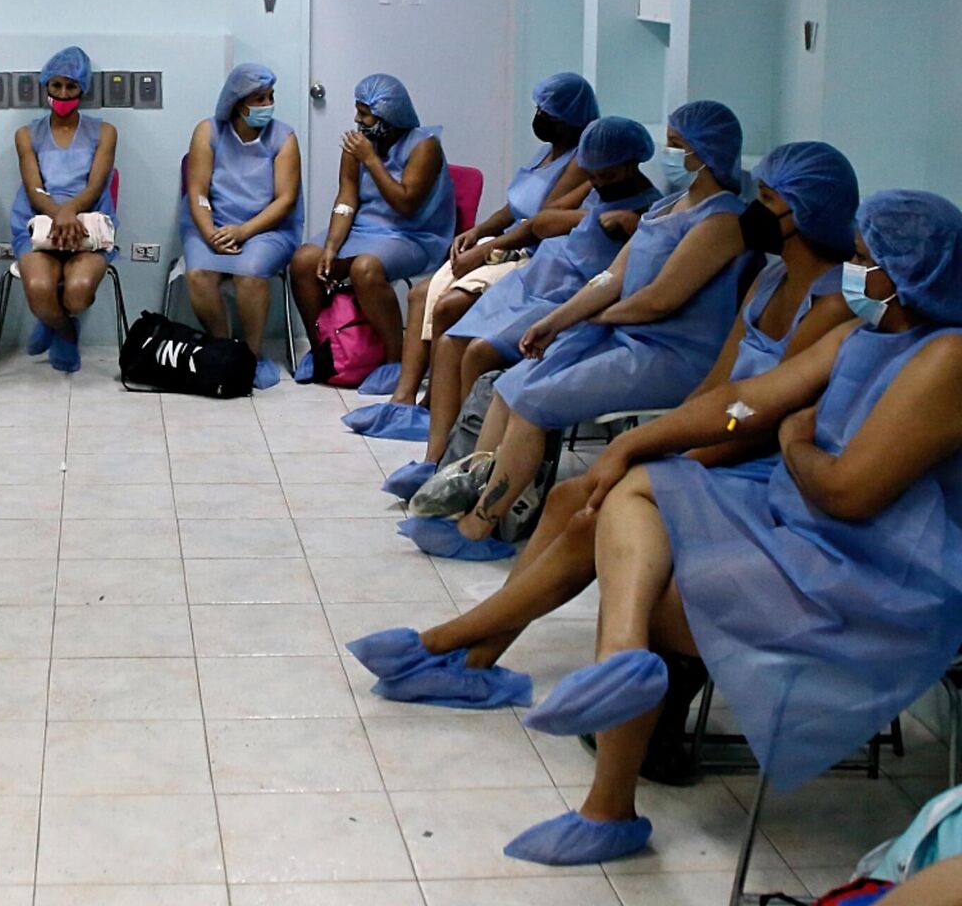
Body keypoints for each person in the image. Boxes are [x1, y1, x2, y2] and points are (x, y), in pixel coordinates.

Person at [490, 190, 962, 868]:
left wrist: (796, 442)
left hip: (886, 584)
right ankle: (617, 672)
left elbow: (849, 492)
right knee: (633, 490)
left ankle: (608, 795)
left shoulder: (953, 360)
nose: (851, 274)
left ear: (906, 272)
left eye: (862, 260)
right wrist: (633, 444)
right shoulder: (872, 333)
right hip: (815, 535)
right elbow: (746, 403)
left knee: (648, 581)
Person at [354, 141, 863, 714]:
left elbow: (752, 412)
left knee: (587, 512)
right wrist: (667, 441)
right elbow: (719, 391)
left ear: (807, 213)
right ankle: (470, 654)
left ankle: (455, 647)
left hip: (751, 461)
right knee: (569, 497)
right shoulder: (768, 283)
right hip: (719, 433)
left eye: (768, 200)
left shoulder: (834, 310)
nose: (755, 208)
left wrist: (672, 458)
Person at [407, 100, 749, 559]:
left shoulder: (721, 221)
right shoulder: (671, 206)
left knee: (536, 402)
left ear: (706, 153)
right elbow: (611, 279)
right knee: (511, 384)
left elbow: (659, 300)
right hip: (624, 334)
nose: (669, 155)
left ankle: (480, 526)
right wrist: (555, 320)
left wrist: (591, 320)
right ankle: (473, 489)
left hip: (669, 353)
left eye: (677, 147)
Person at [374, 115, 662, 492]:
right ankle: (436, 459)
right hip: (533, 282)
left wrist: (627, 223)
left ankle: (468, 468)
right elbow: (541, 222)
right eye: (591, 175)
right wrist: (590, 214)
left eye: (605, 176)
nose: (596, 183)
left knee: (478, 352)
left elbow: (627, 278)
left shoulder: (651, 211)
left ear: (630, 163)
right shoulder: (595, 194)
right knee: (448, 344)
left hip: (567, 299)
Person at [390, 72, 598, 404]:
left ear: (571, 117)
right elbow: (515, 206)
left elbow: (537, 224)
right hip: (508, 242)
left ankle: (442, 403)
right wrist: (479, 231)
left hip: (534, 255)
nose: (539, 118)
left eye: (547, 112)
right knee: (420, 294)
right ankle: (405, 396)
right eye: (538, 109)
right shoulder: (546, 153)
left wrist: (488, 249)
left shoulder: (579, 162)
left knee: (449, 305)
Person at [289, 73, 454, 377]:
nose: (357, 119)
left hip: (411, 234)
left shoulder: (424, 146)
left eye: (364, 113)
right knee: (303, 261)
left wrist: (371, 160)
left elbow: (405, 203)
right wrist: (329, 247)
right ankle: (324, 352)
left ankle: (394, 362)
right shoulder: (359, 144)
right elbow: (346, 200)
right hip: (364, 230)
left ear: (387, 116)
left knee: (364, 269)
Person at [177, 64, 302, 389]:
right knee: (199, 275)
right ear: (236, 101)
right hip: (211, 223)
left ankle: (250, 356)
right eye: (258, 98)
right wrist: (209, 234)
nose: (267, 105)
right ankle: (223, 349)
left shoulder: (283, 138)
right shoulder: (208, 132)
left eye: (270, 97)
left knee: (250, 274)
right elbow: (198, 193)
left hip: (267, 228)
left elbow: (285, 200)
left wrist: (243, 232)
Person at [9, 46, 118, 375]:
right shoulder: (27, 134)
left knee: (78, 292)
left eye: (71, 87)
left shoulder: (104, 132)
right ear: (45, 87)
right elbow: (33, 187)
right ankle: (64, 330)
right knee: (40, 290)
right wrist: (59, 214)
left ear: (82, 89)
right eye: (56, 86)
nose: (63, 93)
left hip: (89, 222)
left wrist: (71, 212)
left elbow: (96, 185)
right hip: (38, 221)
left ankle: (57, 320)